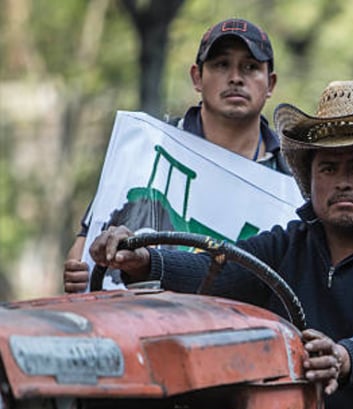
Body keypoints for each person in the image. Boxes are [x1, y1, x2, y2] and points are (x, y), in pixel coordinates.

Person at [88, 79, 353, 409]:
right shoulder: (288, 245)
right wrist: (143, 260)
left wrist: (346, 357)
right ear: (311, 181)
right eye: (328, 168)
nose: (342, 181)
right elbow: (218, 271)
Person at [63, 18, 290, 293]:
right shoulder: (145, 147)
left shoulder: (293, 179)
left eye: (251, 67)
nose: (236, 78)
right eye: (221, 64)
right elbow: (83, 246)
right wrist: (78, 269)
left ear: (270, 83)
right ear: (197, 77)